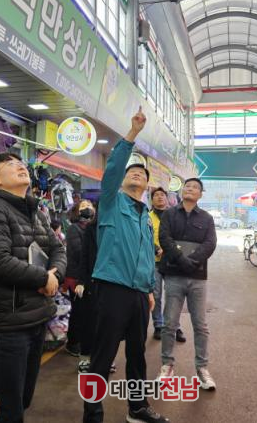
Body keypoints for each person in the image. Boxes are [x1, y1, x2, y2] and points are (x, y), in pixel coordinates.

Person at [83, 107, 169, 423]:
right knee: (102, 356)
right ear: (121, 181)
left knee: (137, 354)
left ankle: (137, 407)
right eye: (132, 172)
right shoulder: (111, 202)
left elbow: (145, 256)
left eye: (142, 174)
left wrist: (148, 289)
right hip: (112, 289)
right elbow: (115, 166)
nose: (137, 174)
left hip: (138, 294)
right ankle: (92, 414)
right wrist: (132, 133)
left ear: (147, 186)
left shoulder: (145, 216)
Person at [0, 152, 67, 423]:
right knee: (6, 408)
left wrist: (55, 275)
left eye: (21, 163)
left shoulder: (38, 213)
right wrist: (43, 278)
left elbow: (58, 249)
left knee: (23, 399)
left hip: (37, 317)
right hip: (8, 324)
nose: (21, 167)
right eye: (11, 165)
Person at [157, 178, 217, 390]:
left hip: (197, 278)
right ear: (182, 191)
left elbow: (210, 243)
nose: (190, 189)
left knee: (200, 325)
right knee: (169, 324)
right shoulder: (169, 214)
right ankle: (167, 365)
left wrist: (192, 261)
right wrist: (182, 260)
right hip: (174, 276)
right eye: (187, 186)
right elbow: (164, 238)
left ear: (201, 194)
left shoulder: (207, 218)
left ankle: (202, 369)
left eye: (195, 187)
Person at [149, 187, 185, 343]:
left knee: (173, 295)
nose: (159, 197)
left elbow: (180, 235)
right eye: (156, 195)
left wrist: (171, 249)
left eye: (162, 195)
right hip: (154, 262)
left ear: (167, 198)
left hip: (171, 261)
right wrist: (156, 248)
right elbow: (143, 236)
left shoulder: (174, 215)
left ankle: (175, 326)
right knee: (156, 295)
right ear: (152, 200)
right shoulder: (147, 217)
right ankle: (158, 325)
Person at [65, 199, 97, 357]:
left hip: (91, 276)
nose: (87, 208)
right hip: (77, 277)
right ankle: (73, 342)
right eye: (83, 206)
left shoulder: (96, 228)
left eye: (90, 206)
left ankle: (85, 342)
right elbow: (78, 252)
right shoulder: (74, 228)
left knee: (88, 312)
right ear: (77, 211)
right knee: (78, 311)